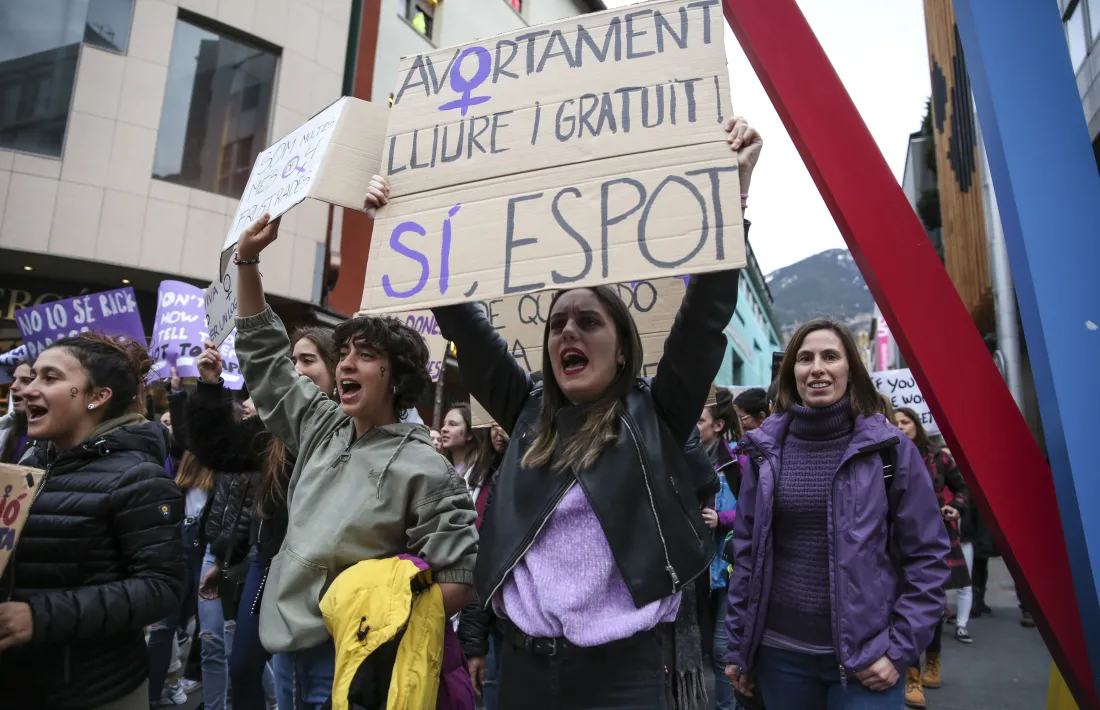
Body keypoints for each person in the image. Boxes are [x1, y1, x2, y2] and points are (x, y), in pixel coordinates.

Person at [433, 115, 759, 710]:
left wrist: (731, 195)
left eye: (588, 321)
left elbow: (705, 317)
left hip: (622, 676)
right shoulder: (527, 411)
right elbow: (469, 333)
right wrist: (420, 226)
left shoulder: (657, 414)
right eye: (557, 324)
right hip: (523, 670)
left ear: (624, 345)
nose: (567, 333)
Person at [229, 204, 479, 710]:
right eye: (344, 353)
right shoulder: (322, 424)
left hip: (354, 663)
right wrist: (247, 263)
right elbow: (263, 359)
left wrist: (375, 621)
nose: (346, 362)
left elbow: (460, 579)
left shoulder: (427, 467)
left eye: (365, 356)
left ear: (397, 376)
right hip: (285, 648)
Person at [723, 318, 950, 710]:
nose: (817, 368)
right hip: (780, 658)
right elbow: (747, 554)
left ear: (850, 370)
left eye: (831, 356)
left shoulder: (890, 449)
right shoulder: (764, 453)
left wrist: (899, 649)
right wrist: (740, 647)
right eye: (805, 358)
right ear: (791, 372)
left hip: (867, 661)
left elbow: (928, 556)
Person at [0, 333, 184, 709]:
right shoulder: (29, 467)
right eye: (31, 376)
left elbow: (160, 588)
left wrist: (38, 616)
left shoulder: (139, 478)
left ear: (96, 397)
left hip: (93, 691)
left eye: (50, 378)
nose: (28, 389)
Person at [188, 326, 336, 710]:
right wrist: (209, 387)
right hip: (269, 563)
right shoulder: (275, 425)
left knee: (309, 684)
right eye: (292, 361)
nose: (297, 369)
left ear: (337, 370)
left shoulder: (353, 428)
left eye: (309, 360)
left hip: (325, 576)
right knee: (242, 666)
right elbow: (220, 452)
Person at [893, 408, 971, 709]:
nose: (900, 427)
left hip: (937, 535)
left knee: (935, 605)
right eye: (896, 422)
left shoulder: (939, 456)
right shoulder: (889, 452)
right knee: (903, 603)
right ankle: (912, 676)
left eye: (905, 422)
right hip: (900, 539)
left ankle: (933, 664)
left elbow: (963, 487)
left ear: (916, 424)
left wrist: (957, 507)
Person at [147, 451, 215, 705]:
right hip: (179, 557)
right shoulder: (174, 490)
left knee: (206, 629)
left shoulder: (223, 484)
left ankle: (172, 686)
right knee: (165, 629)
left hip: (203, 555)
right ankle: (156, 694)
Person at [697, 388, 743, 710]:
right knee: (698, 648)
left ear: (718, 426)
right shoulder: (682, 459)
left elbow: (755, 512)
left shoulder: (738, 463)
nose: (692, 425)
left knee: (721, 649)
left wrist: (722, 518)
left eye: (699, 420)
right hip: (694, 569)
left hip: (727, 568)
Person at [0, 361, 33, 464]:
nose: (13, 386)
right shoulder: (6, 428)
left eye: (25, 381)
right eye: (14, 379)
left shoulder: (55, 440)